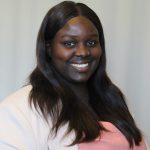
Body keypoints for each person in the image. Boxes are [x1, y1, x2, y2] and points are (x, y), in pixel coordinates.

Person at [0, 1, 147, 150]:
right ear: (49, 48)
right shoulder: (18, 110)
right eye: (69, 43)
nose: (83, 52)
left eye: (91, 42)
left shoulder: (113, 100)